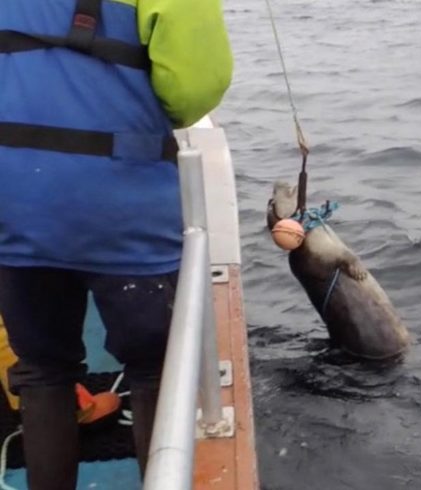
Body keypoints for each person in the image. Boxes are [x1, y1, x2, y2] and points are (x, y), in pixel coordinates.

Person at [0, 0, 233, 488]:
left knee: (42, 369)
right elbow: (192, 92)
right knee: (154, 371)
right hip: (124, 212)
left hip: (16, 206)